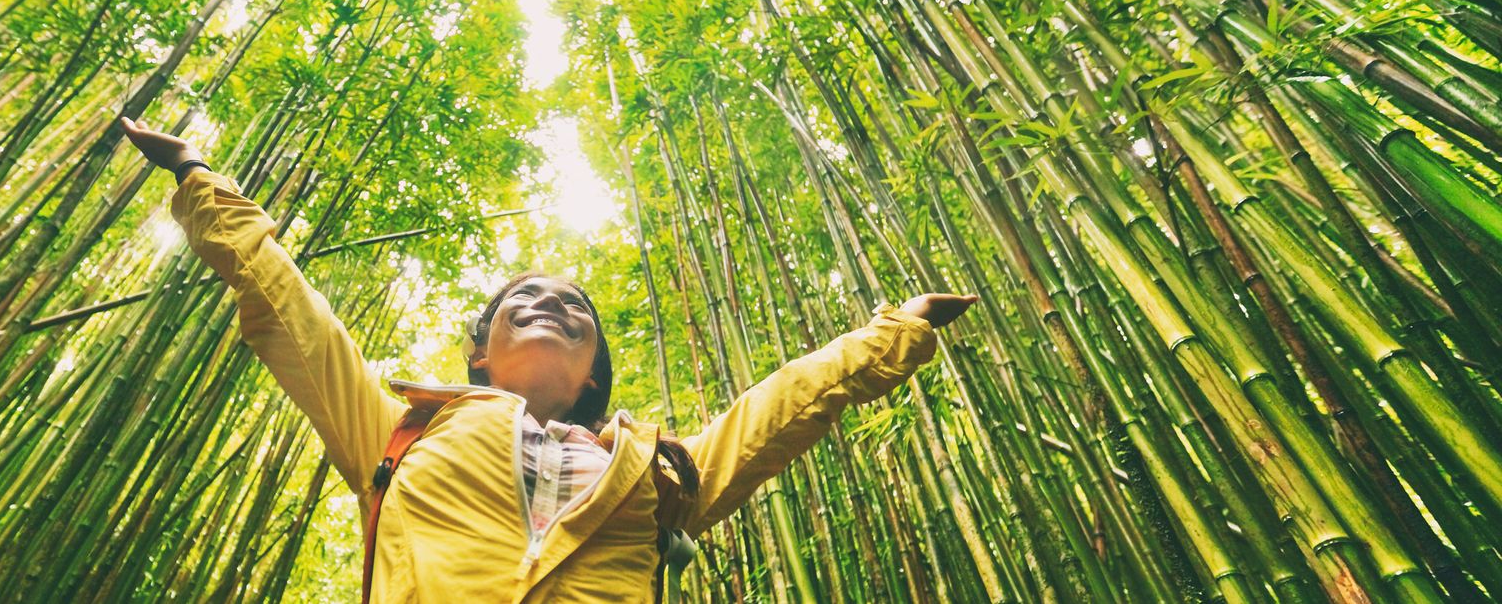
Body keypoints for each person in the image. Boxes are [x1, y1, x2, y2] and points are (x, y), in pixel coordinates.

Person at [119, 117, 976, 602]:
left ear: (595, 369)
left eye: (575, 307)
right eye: (518, 300)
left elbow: (787, 403)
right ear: (478, 356)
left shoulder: (660, 473)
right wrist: (199, 176)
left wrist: (898, 330)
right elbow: (286, 305)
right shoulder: (397, 431)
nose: (550, 303)